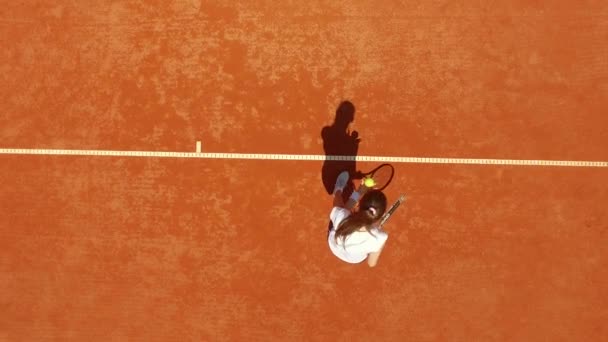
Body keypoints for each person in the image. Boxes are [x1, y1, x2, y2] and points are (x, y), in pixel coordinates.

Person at [327, 171, 389, 267]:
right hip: (354, 259)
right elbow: (371, 263)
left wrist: (360, 191)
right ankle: (357, 191)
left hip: (334, 246)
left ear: (359, 204)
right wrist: (379, 244)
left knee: (341, 210)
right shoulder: (380, 237)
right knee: (343, 214)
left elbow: (340, 210)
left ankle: (338, 190)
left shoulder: (341, 216)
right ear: (381, 215)